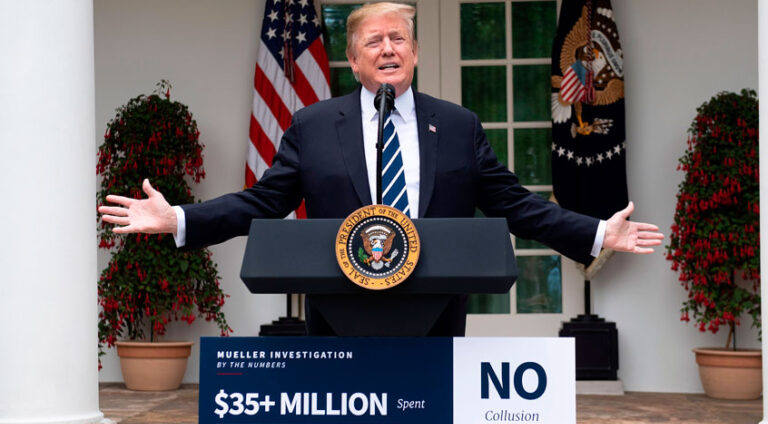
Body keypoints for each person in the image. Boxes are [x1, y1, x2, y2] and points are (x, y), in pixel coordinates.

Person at [99, 2, 662, 335]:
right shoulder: (314, 125)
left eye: (399, 39)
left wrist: (596, 232)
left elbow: (513, 204)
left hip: (435, 312)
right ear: (353, 59)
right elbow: (264, 201)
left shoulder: (458, 125)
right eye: (374, 41)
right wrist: (179, 219)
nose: (388, 48)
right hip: (339, 312)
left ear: (414, 53)